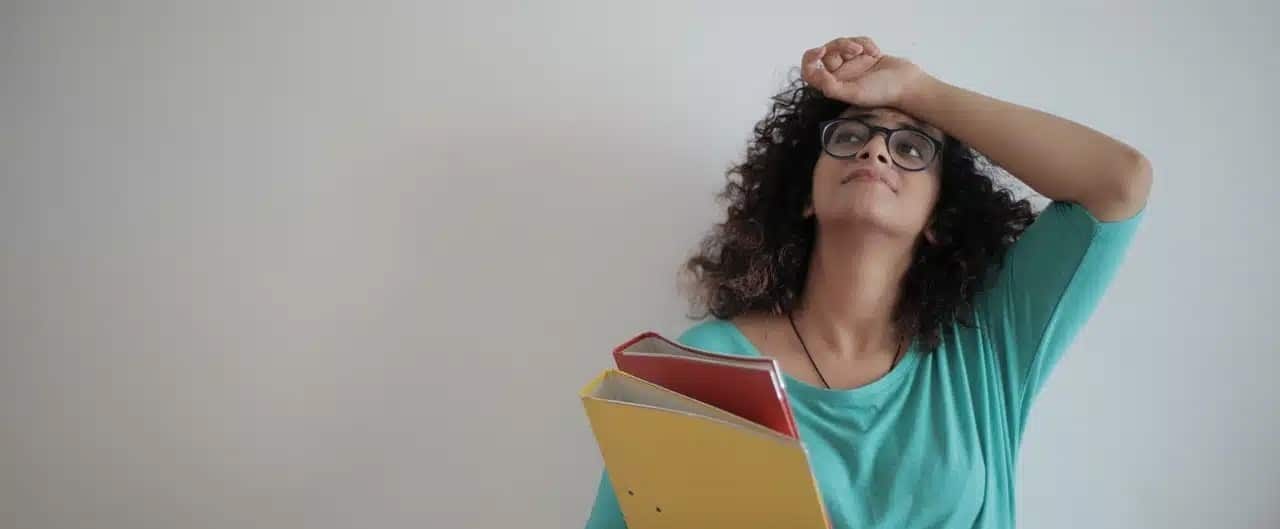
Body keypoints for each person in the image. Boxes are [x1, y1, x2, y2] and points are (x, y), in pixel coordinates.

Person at [584, 35, 1151, 529]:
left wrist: (918, 92)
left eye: (909, 148)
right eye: (851, 137)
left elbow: (1119, 183)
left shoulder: (986, 344)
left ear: (938, 217)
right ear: (806, 194)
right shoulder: (704, 368)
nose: (876, 149)